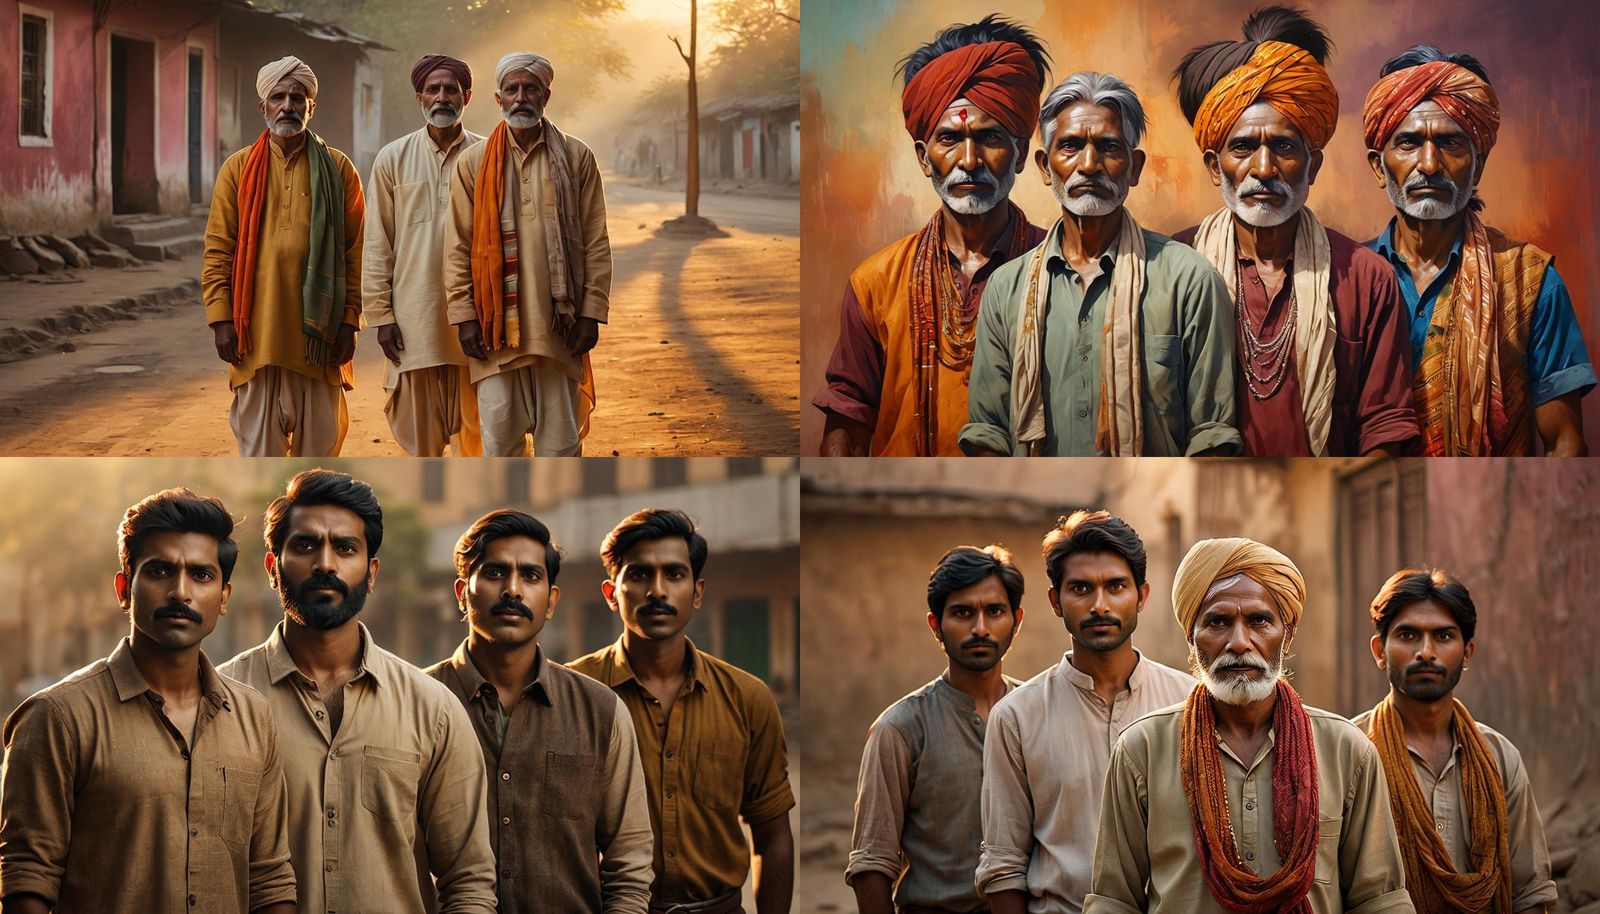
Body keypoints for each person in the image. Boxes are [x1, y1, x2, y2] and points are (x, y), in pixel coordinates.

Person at [0, 489, 296, 914]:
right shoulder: (58, 718)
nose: (181, 591)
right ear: (124, 588)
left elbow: (269, 879)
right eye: (159, 571)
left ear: (224, 598)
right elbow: (28, 879)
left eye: (201, 575)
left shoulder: (254, 718)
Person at [219, 469, 496, 914]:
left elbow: (468, 880)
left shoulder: (434, 709)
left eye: (345, 548)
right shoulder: (221, 701)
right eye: (305, 545)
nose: (325, 564)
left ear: (371, 572)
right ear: (273, 567)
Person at [1085, 537, 1412, 913]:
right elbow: (1112, 901)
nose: (1240, 643)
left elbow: (1380, 901)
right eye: (1218, 622)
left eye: (1259, 621)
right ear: (1191, 638)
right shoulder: (1141, 750)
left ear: (1286, 634)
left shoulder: (1346, 750)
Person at [1170, 6, 1417, 457]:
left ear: (1313, 164)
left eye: (1283, 147)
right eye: (1242, 147)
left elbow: (1384, 432)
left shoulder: (1365, 278)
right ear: (1213, 165)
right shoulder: (1172, 268)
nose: (1263, 169)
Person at [963, 73, 1241, 457]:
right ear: (1045, 167)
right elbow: (987, 436)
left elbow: (1212, 438)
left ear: (1134, 167)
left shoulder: (1190, 280)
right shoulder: (1006, 288)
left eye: (1108, 147)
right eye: (1071, 146)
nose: (1089, 164)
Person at [813, 15, 1050, 456]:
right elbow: (847, 421)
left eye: (990, 136)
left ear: (1019, 156)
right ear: (924, 158)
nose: (969, 159)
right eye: (949, 138)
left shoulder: (1062, 270)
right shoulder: (875, 283)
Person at [1363, 45, 1594, 455]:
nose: (1430, 163)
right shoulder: (1347, 278)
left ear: (1479, 164)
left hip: (1495, 513)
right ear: (1379, 167)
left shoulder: (1530, 280)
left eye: (1450, 142)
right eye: (1409, 142)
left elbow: (1564, 443)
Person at [425, 509, 654, 913]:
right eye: (495, 573)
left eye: (530, 576)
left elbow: (629, 865)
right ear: (463, 593)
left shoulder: (600, 711)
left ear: (551, 601)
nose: (512, 590)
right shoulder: (417, 703)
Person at [569, 509, 794, 914]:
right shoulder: (571, 693)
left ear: (697, 591)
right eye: (638, 575)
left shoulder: (747, 697)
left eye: (674, 574)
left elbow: (772, 835)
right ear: (610, 593)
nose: (657, 590)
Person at [977, 512, 1192, 914]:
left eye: (1115, 587)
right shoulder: (1016, 717)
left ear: (1142, 596)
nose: (1099, 605)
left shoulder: (1191, 703)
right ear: (1056, 601)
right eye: (1080, 588)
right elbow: (1003, 867)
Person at [1353, 569, 1557, 913]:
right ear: (1380, 651)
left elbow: (1530, 891)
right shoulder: (1351, 754)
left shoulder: (1498, 756)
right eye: (1408, 635)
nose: (1426, 652)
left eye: (1444, 636)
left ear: (1467, 653)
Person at [445, 52, 611, 456]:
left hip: (560, 332)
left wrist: (590, 313)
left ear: (546, 96)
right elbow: (458, 246)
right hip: (494, 332)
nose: (521, 97)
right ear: (498, 98)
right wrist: (465, 317)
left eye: (530, 88)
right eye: (512, 89)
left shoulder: (576, 157)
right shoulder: (473, 162)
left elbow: (595, 241)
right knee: (499, 446)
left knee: (561, 449)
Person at [847, 545, 1027, 913]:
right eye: (963, 613)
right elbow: (872, 865)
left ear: (1016, 621)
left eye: (994, 611)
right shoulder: (900, 728)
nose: (980, 628)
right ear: (936, 625)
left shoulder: (1037, 712)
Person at [202, 56, 364, 457]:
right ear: (264, 107)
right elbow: (219, 247)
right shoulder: (237, 169)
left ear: (312, 107)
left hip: (320, 342)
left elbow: (356, 252)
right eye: (279, 96)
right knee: (259, 460)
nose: (288, 105)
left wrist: (349, 321)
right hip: (256, 338)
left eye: (298, 97)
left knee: (318, 463)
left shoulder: (339, 169)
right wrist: (221, 319)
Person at [363, 54, 485, 456]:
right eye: (433, 89)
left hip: (480, 320)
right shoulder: (392, 158)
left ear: (467, 96)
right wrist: (381, 317)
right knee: (422, 447)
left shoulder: (489, 157)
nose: (442, 97)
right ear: (420, 97)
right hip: (414, 320)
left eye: (451, 89)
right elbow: (378, 242)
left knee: (482, 440)